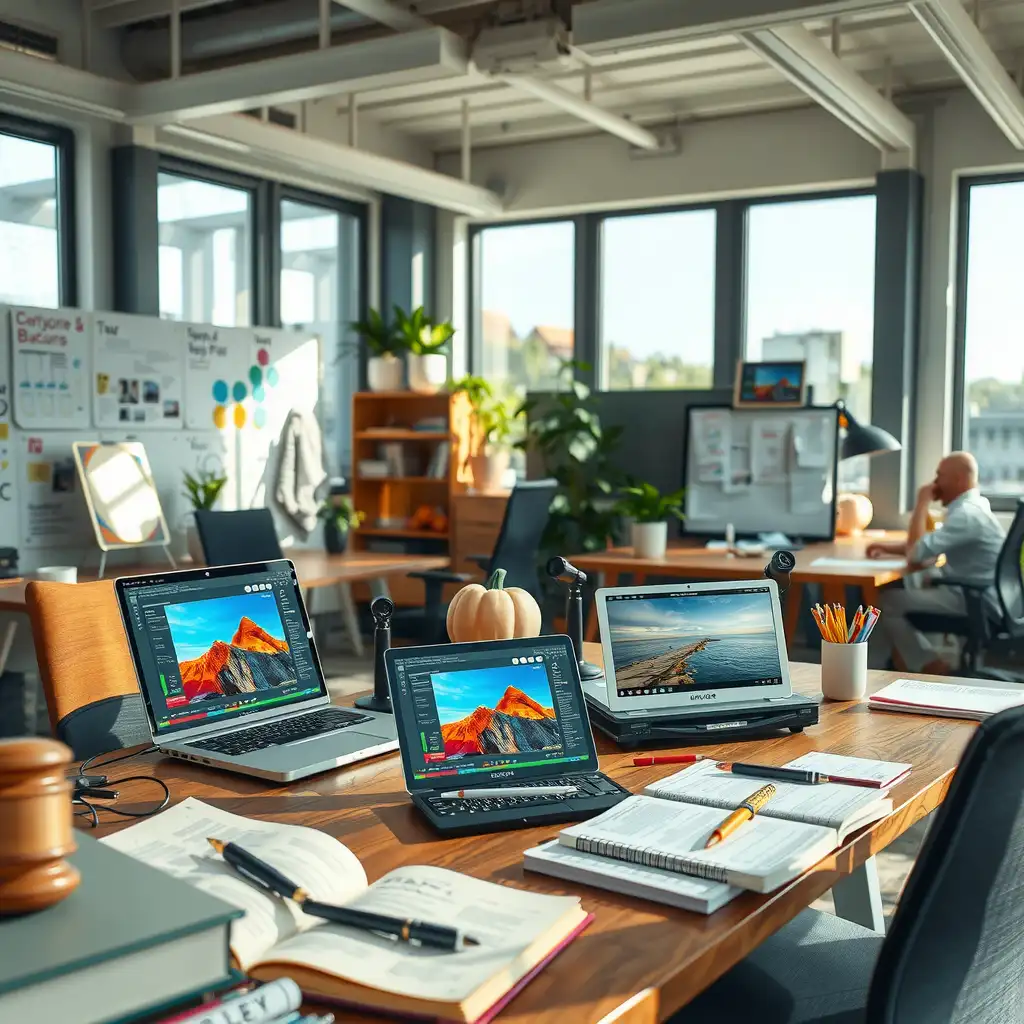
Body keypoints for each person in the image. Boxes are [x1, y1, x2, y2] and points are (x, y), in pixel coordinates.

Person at [866, 451, 1005, 674]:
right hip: (984, 595)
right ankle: (895, 666)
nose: (935, 483)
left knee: (888, 602)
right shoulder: (976, 506)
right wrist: (888, 548)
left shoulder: (965, 515)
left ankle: (929, 664)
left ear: (958, 480)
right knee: (907, 587)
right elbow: (928, 546)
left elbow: (916, 554)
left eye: (940, 476)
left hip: (976, 601)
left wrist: (922, 503)